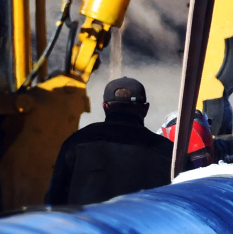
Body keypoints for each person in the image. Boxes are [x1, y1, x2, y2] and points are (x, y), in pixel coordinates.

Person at [45, 77, 173, 206]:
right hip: (143, 218)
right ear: (145, 109)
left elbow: (54, 198)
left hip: (87, 218)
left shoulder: (77, 141)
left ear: (105, 107)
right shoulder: (166, 149)